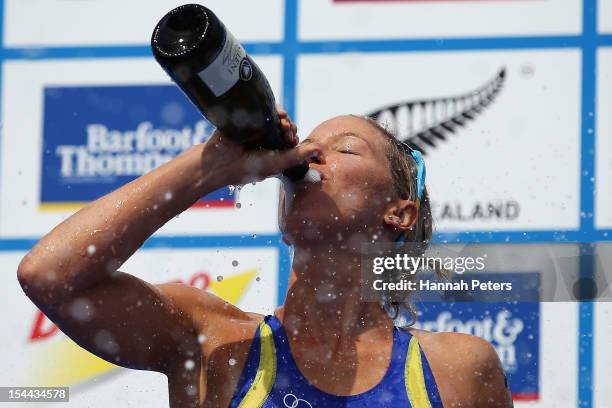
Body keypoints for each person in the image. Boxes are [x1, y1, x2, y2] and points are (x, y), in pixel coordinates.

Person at [17, 106, 513, 407]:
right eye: (309, 145)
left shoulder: (458, 368)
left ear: (399, 214)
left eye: (345, 149)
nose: (311, 154)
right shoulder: (211, 342)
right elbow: (51, 275)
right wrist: (208, 167)